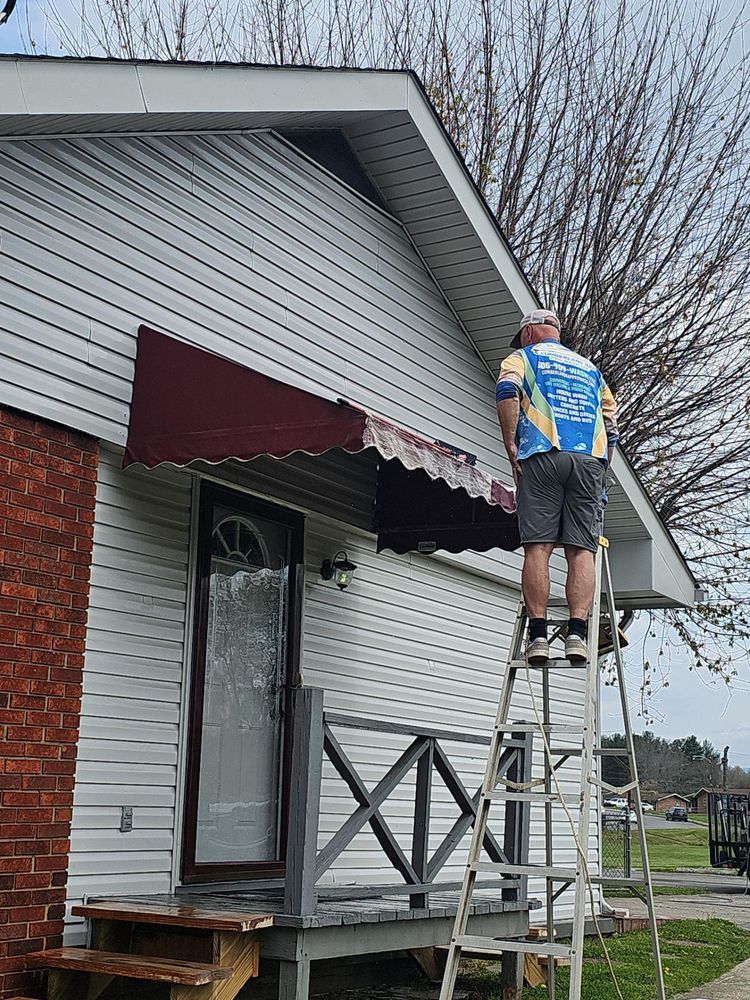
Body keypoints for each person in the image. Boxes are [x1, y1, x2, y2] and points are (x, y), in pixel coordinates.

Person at [495, 310, 619, 664]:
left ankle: (537, 637)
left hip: (543, 453)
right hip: (589, 461)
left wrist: (510, 444)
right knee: (582, 549)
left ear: (530, 331)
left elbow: (507, 390)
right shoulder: (590, 369)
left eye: (521, 336)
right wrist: (601, 467)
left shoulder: (523, 357)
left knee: (538, 547)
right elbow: (611, 424)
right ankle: (577, 634)